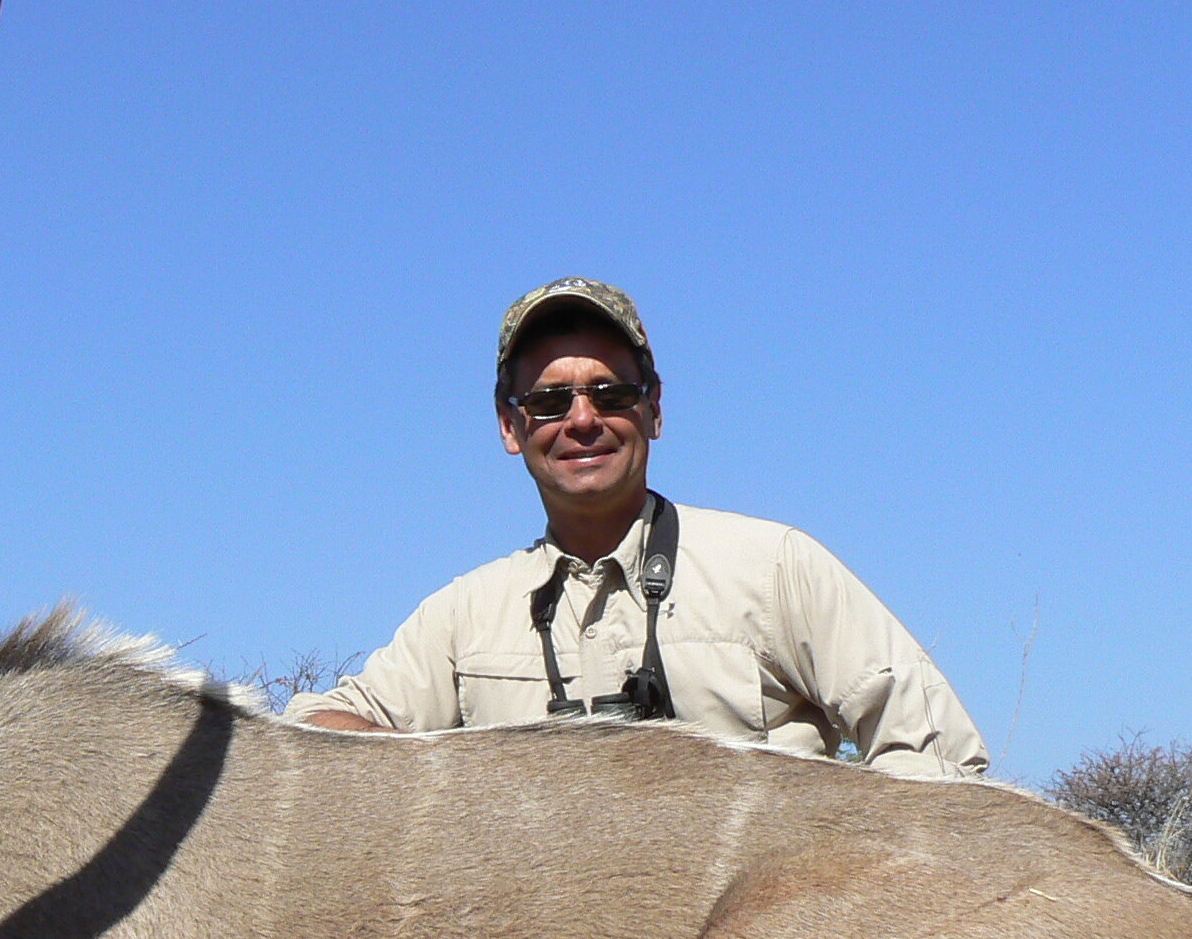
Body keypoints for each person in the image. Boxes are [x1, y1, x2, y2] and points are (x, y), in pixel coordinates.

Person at [285, 277, 989, 780]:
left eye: (611, 393)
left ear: (653, 409)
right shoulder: (461, 617)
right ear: (510, 426)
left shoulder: (774, 567)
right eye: (550, 400)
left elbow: (939, 756)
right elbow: (316, 733)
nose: (583, 419)